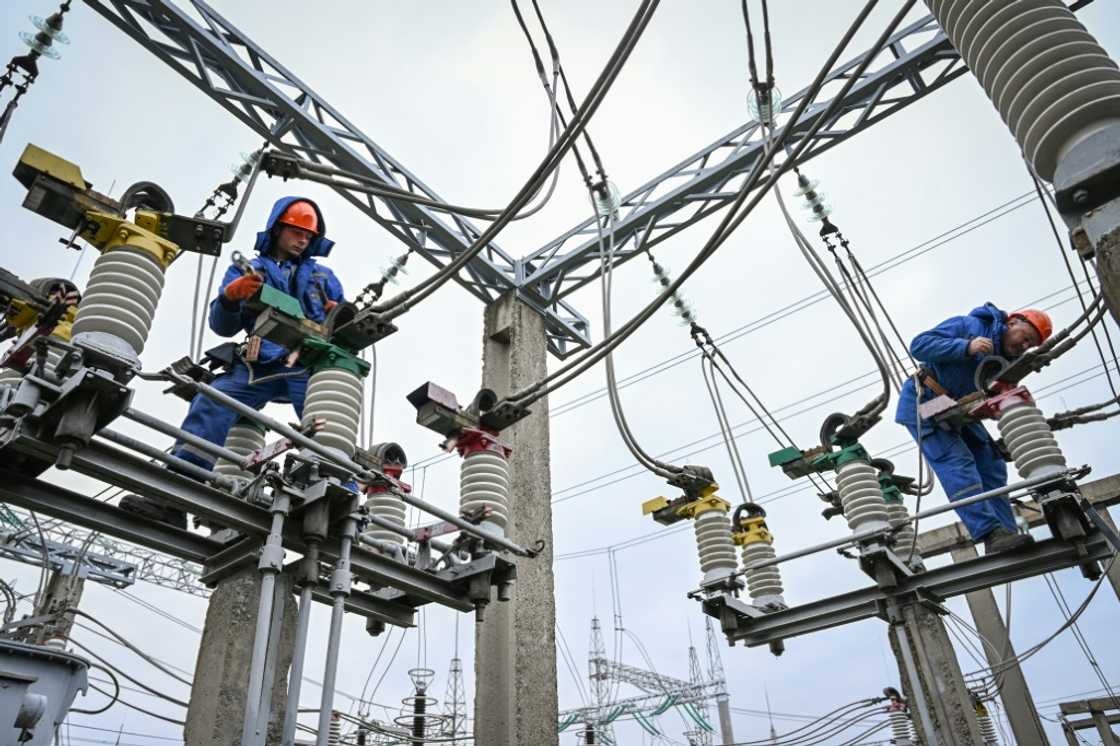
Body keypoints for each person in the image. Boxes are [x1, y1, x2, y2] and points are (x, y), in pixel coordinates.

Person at [121, 196, 345, 528]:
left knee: (330, 423)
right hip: (259, 362)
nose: (303, 240)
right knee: (211, 400)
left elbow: (344, 327)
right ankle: (176, 497)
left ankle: (343, 505)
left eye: (308, 236)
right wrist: (230, 297)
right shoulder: (252, 271)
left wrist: (336, 317)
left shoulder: (323, 278)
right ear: (278, 230)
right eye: (296, 232)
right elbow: (221, 325)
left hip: (306, 366)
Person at [895, 303, 1053, 553]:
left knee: (991, 463)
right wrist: (966, 347)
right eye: (1026, 338)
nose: (1025, 347)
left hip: (957, 406)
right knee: (957, 462)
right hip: (924, 404)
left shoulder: (1006, 362)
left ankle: (1007, 532)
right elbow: (919, 345)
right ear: (1012, 323)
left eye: (1030, 345)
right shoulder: (970, 326)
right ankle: (989, 533)